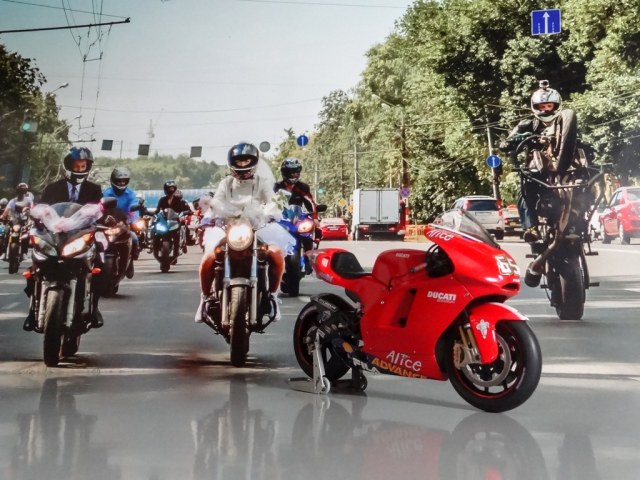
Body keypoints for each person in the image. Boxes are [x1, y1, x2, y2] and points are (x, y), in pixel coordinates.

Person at [195, 142, 293, 324]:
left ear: (254, 164)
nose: (242, 167)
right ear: (232, 165)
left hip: (256, 228)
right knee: (208, 258)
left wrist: (271, 212)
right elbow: (217, 202)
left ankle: (273, 296)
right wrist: (211, 214)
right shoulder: (226, 183)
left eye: (246, 163)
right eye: (239, 163)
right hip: (229, 228)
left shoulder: (261, 182)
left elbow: (271, 200)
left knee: (276, 254)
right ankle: (204, 298)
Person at [23, 147, 104, 331]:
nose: (80, 169)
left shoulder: (94, 189)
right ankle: (32, 310)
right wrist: (36, 215)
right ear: (68, 166)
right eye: (77, 165)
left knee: (99, 265)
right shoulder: (53, 188)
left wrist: (107, 218)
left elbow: (100, 211)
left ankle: (94, 308)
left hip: (80, 236)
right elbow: (42, 207)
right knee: (35, 264)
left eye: (83, 166)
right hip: (54, 236)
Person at [499, 80, 573, 243]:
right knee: (524, 190)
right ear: (535, 107)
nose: (546, 110)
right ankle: (531, 228)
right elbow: (506, 143)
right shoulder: (527, 124)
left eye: (549, 106)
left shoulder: (567, 122)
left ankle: (577, 222)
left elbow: (577, 141)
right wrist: (516, 139)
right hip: (537, 169)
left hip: (566, 169)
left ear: (556, 105)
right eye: (542, 106)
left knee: (583, 185)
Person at [103, 166, 140, 263]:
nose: (122, 183)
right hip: (109, 224)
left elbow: (134, 207)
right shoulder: (106, 193)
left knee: (134, 239)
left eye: (124, 181)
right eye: (119, 181)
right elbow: (100, 208)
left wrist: (134, 221)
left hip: (125, 224)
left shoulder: (131, 194)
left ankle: (132, 258)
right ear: (113, 180)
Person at [154, 180, 191, 258]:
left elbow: (182, 210)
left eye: (172, 188)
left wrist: (185, 212)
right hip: (164, 221)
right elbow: (157, 211)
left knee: (178, 233)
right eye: (169, 188)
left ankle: (177, 250)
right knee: (155, 231)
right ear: (165, 189)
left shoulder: (178, 200)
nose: (171, 190)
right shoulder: (162, 199)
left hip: (174, 221)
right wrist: (149, 213)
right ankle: (154, 247)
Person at [0, 183, 35, 260]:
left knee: (26, 234)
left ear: (26, 191)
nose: (21, 192)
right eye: (20, 190)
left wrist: (32, 213)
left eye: (23, 190)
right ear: (17, 190)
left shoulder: (29, 200)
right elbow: (6, 211)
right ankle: (4, 252)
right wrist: (3, 216)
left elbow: (32, 209)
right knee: (6, 232)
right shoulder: (12, 201)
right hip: (13, 221)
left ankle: (23, 253)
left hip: (24, 222)